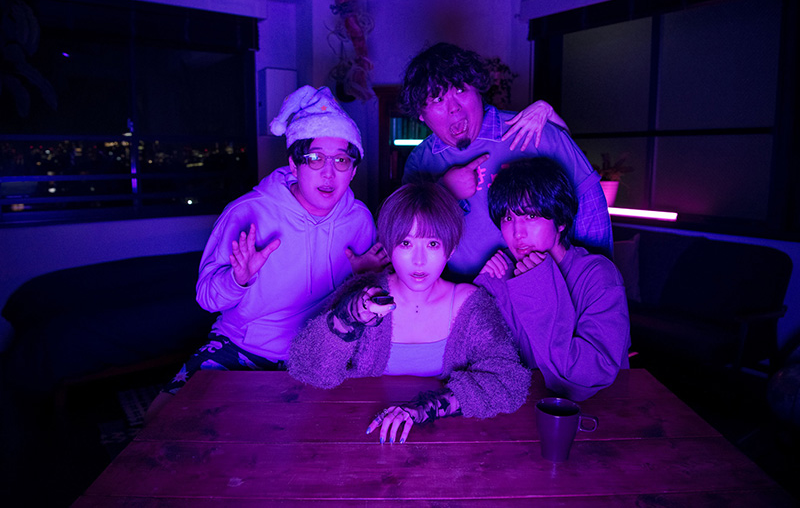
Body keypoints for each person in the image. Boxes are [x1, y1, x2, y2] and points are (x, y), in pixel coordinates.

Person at [146, 86, 387, 420]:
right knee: (160, 418)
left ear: (353, 169)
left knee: (330, 433)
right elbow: (207, 299)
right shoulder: (248, 212)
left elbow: (366, 304)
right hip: (242, 346)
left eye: (341, 160)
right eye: (315, 158)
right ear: (294, 164)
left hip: (317, 351)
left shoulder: (358, 219)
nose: (328, 173)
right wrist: (238, 279)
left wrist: (362, 276)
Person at [289, 182, 530, 444]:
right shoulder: (363, 292)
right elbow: (307, 370)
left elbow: (510, 381)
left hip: (448, 442)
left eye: (432, 244)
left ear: (450, 249)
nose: (419, 260)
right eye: (406, 243)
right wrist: (349, 317)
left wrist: (424, 408)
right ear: (388, 246)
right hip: (358, 435)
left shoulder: (468, 303)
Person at [399, 42, 612, 281]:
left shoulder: (533, 132)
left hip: (547, 289)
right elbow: (405, 240)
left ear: (478, 89)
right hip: (463, 294)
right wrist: (443, 191)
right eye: (437, 99)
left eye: (460, 90)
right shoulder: (420, 161)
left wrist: (593, 283)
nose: (454, 108)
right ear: (420, 114)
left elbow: (590, 209)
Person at [475, 157, 630, 401]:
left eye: (531, 217)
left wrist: (536, 284)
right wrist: (484, 285)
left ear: (561, 222)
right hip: (522, 406)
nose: (517, 233)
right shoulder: (502, 271)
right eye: (508, 218)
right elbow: (482, 358)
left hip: (601, 409)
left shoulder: (598, 275)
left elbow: (588, 376)